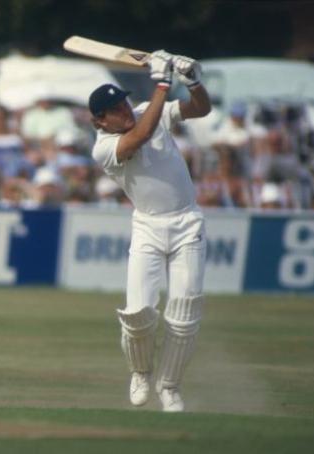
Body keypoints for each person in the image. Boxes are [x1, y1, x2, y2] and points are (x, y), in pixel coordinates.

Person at [89, 50, 212, 412]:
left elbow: (200, 109)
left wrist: (193, 80)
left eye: (125, 105)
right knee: (138, 314)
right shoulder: (103, 148)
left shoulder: (147, 110)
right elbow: (139, 138)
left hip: (188, 223)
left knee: (185, 315)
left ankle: (170, 386)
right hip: (147, 227)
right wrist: (161, 82)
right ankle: (140, 372)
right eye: (116, 111)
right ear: (100, 121)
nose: (126, 112)